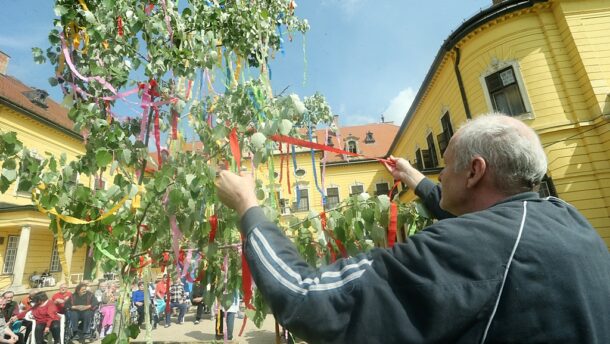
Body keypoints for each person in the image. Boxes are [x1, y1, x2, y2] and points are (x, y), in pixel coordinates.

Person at [215, 113, 610, 343]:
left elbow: (304, 295)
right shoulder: (568, 219)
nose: (440, 174)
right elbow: (477, 222)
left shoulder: (467, 247)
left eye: (446, 163)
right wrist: (414, 178)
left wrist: (248, 207)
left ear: (474, 171)